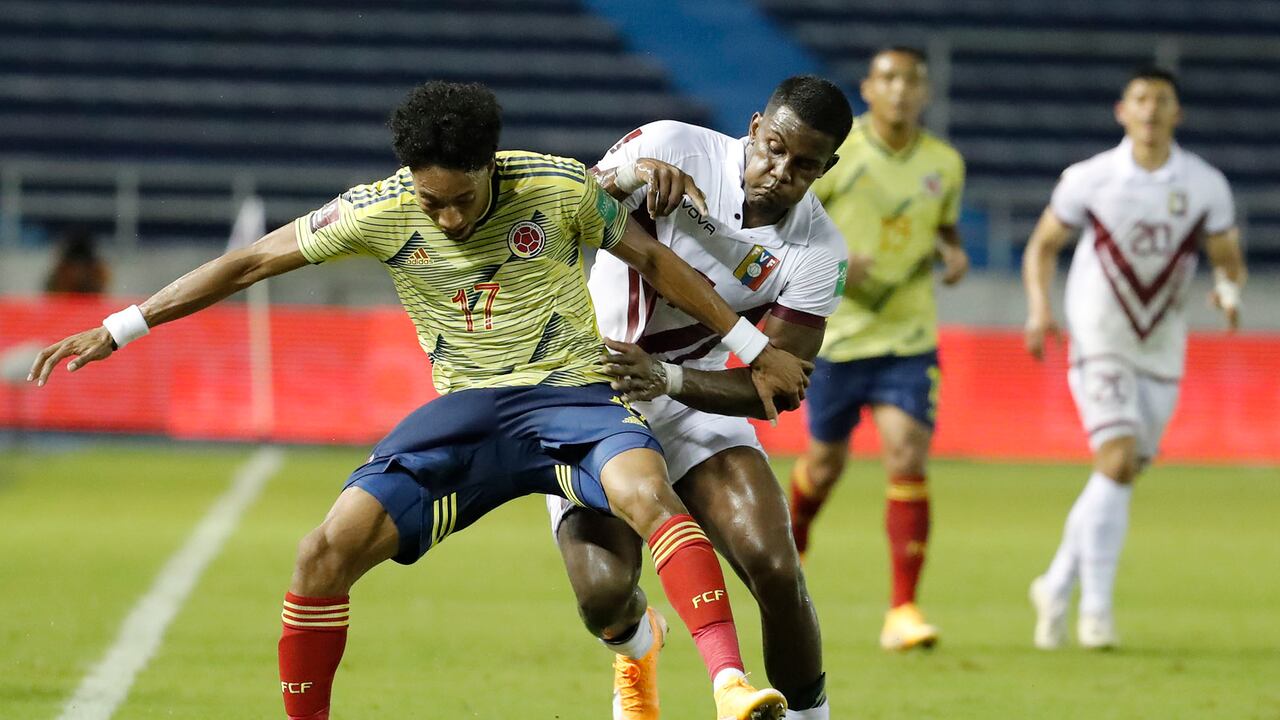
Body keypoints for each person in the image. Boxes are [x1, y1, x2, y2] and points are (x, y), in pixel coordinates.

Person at [27, 80, 812, 720]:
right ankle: (635, 647)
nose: (448, 217)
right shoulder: (381, 208)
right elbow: (248, 264)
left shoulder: (557, 186)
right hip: (466, 411)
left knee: (652, 496)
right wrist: (122, 325)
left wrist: (751, 348)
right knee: (321, 554)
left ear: (490, 166)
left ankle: (729, 686)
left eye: (462, 198)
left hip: (574, 395)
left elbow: (658, 262)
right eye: (432, 201)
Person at [548, 76, 853, 720]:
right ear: (752, 126)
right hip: (590, 393)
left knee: (774, 566)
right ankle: (638, 643)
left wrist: (671, 382)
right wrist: (630, 174)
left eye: (804, 165)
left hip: (692, 399)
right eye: (773, 147)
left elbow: (777, 389)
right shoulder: (675, 146)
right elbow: (561, 210)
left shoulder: (818, 253)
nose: (779, 172)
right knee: (603, 594)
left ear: (829, 167)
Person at [1023, 67, 1245, 650]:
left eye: (1162, 101)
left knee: (1118, 475)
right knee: (1117, 460)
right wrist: (1039, 308)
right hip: (1098, 337)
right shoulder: (1091, 178)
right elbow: (1044, 245)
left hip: (1162, 347)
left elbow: (1227, 256)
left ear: (1178, 113)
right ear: (1123, 111)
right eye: (1141, 100)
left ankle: (1055, 583)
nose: (1150, 110)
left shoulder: (1204, 185)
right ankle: (1096, 611)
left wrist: (1229, 289)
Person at [786, 46, 968, 651]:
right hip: (837, 338)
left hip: (908, 338)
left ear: (926, 92)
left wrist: (952, 249)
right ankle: (789, 558)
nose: (901, 90)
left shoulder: (945, 163)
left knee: (906, 453)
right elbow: (789, 228)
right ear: (869, 87)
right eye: (889, 78)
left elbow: (940, 220)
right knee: (824, 466)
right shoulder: (839, 157)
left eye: (912, 80)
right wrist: (838, 265)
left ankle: (904, 610)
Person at [45, 226, 110, 294]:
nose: (77, 272)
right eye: (74, 268)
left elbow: (103, 290)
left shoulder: (98, 273)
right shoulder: (60, 273)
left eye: (81, 267)